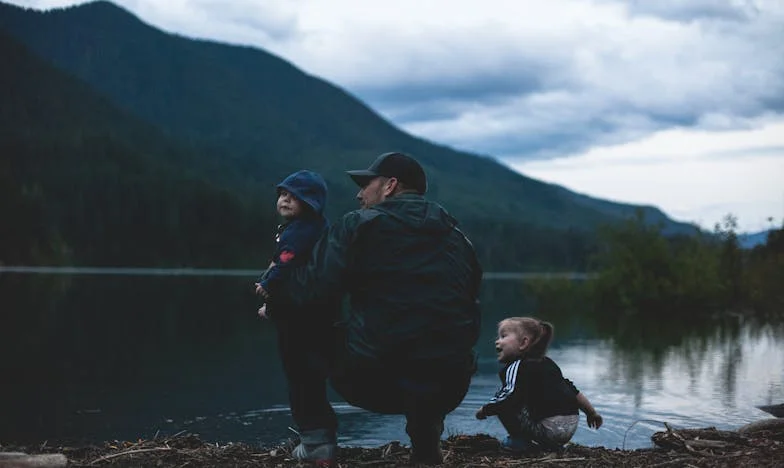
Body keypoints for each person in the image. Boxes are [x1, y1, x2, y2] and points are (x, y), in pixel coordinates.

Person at [258, 152, 483, 466]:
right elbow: (470, 307)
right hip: (450, 384)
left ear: (390, 186)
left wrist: (275, 302)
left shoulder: (358, 225)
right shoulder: (459, 238)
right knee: (434, 339)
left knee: (294, 322)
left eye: (365, 184)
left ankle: (316, 441)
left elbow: (311, 291)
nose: (359, 193)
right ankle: (425, 446)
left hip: (377, 379)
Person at [254, 170, 340, 453]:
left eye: (294, 197)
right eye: (282, 195)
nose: (284, 201)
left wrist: (268, 286)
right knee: (309, 377)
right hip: (314, 314)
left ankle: (316, 443)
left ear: (311, 202)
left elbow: (287, 263)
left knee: (300, 378)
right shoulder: (314, 228)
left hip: (300, 318)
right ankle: (318, 439)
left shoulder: (302, 229)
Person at [475, 317, 603, 454]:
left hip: (548, 428)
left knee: (505, 398)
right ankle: (552, 446)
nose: (497, 341)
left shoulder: (516, 367)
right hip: (570, 427)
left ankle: (519, 442)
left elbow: (507, 397)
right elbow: (572, 390)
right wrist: (591, 413)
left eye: (503, 336)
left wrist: (485, 409)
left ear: (524, 343)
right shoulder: (548, 363)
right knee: (519, 398)